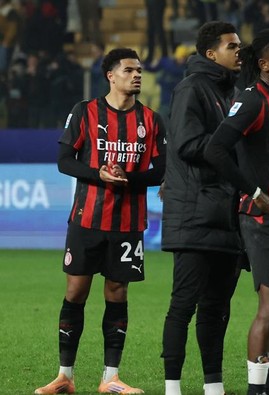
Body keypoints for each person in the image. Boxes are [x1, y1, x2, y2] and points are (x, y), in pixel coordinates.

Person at [34, 47, 166, 395]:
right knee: (76, 291)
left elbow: (164, 170)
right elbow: (64, 160)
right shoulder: (85, 112)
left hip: (128, 223)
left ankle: (110, 378)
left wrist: (129, 179)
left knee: (117, 292)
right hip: (86, 219)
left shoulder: (152, 120)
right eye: (128, 70)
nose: (136, 75)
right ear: (110, 75)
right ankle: (65, 376)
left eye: (139, 70)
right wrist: (99, 175)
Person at [202, 28, 269, 395]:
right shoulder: (252, 101)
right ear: (264, 65)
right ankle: (255, 389)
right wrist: (255, 193)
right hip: (265, 222)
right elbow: (215, 150)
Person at [160, 21, 243, 395]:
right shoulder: (191, 89)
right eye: (232, 46)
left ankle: (213, 385)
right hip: (195, 212)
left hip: (226, 213)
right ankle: (173, 386)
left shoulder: (231, 92)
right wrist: (231, 146)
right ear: (212, 54)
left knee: (217, 308)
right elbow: (187, 144)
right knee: (184, 303)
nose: (239, 51)